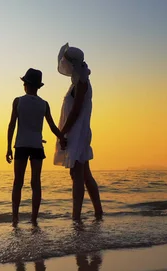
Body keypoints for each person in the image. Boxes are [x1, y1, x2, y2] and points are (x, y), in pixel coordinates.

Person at [7, 68, 66, 225]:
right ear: (38, 86)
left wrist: (8, 147)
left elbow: (12, 125)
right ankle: (33, 219)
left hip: (21, 146)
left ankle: (15, 218)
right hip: (36, 147)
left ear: (25, 84)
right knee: (36, 183)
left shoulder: (18, 101)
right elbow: (53, 127)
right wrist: (63, 138)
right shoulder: (44, 104)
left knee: (18, 182)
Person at [54, 43, 103, 222]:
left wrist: (63, 132)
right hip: (78, 132)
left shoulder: (81, 83)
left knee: (77, 175)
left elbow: (75, 111)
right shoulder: (79, 82)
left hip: (77, 133)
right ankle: (98, 212)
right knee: (84, 174)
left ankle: (77, 216)